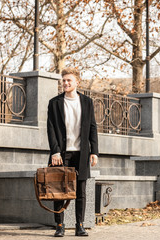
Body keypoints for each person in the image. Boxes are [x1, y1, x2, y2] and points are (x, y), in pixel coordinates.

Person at [47, 67, 99, 237]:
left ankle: (80, 225)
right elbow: (51, 129)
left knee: (81, 191)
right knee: (58, 190)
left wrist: (94, 151)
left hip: (81, 153)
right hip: (61, 154)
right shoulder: (54, 103)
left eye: (69, 80)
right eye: (64, 80)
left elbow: (92, 127)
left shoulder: (87, 102)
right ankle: (60, 226)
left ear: (77, 82)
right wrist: (55, 152)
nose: (66, 83)